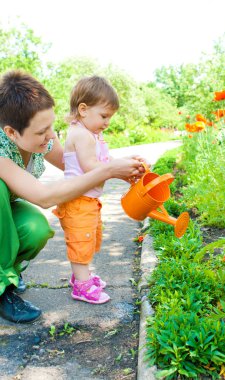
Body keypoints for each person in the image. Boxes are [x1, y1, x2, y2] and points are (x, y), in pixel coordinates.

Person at [0, 70, 144, 323]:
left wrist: (122, 168)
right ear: (12, 133)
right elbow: (44, 197)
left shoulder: (42, 135)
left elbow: (75, 167)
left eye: (51, 127)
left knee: (36, 229)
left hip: (6, 210)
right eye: (42, 132)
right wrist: (109, 169)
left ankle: (10, 269)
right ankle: (2, 287)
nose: (51, 136)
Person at [53, 76, 137, 304]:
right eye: (104, 116)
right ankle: (81, 285)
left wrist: (126, 162)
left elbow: (105, 159)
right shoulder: (81, 135)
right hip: (78, 201)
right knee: (81, 241)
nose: (108, 122)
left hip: (86, 200)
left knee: (88, 239)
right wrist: (116, 169)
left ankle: (81, 276)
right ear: (83, 109)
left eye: (110, 117)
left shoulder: (90, 134)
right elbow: (91, 167)